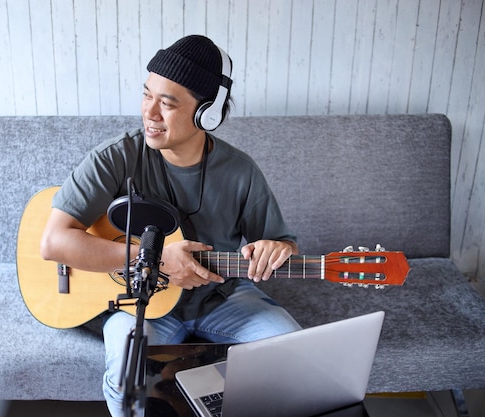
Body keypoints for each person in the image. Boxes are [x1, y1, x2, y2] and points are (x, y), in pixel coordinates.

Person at [40, 34, 302, 417]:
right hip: (139, 303)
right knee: (126, 372)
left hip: (223, 300)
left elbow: (279, 241)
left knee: (297, 354)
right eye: (147, 95)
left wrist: (280, 249)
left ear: (207, 114)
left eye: (167, 103)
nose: (150, 112)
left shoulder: (241, 171)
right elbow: (53, 242)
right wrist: (157, 258)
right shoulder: (115, 157)